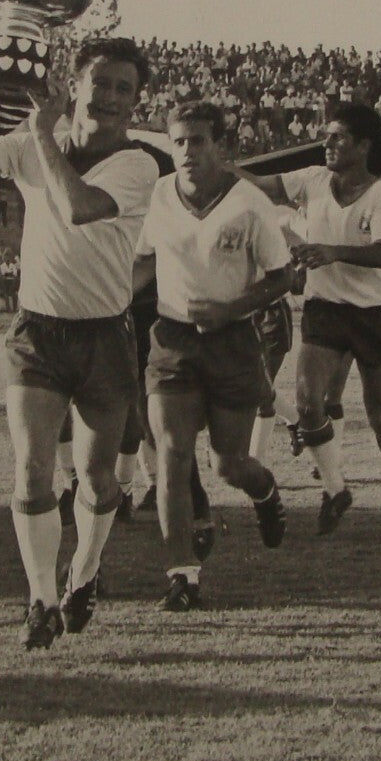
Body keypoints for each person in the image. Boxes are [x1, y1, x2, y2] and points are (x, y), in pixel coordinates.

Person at [0, 36, 159, 650]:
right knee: (32, 471)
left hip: (105, 335)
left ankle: (84, 573)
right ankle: (41, 601)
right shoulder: (32, 144)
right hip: (38, 331)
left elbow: (78, 207)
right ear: (74, 85)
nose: (109, 97)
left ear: (136, 102)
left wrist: (42, 133)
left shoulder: (138, 165)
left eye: (124, 88)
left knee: (97, 479)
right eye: (99, 82)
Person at [132, 102, 294, 610]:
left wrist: (230, 309)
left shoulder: (249, 202)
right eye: (178, 142)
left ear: (221, 145)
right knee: (173, 455)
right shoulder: (160, 195)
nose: (186, 151)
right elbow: (142, 261)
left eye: (198, 141)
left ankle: (264, 492)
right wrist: (108, 299)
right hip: (172, 339)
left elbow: (284, 277)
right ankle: (183, 575)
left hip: (232, 340)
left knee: (229, 465)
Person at [235, 103, 381, 534]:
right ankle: (335, 489)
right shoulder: (314, 179)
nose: (326, 143)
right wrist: (221, 167)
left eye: (337, 137)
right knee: (307, 403)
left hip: (372, 314)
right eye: (326, 136)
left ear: (363, 145)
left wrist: (332, 251)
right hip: (325, 310)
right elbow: (260, 186)